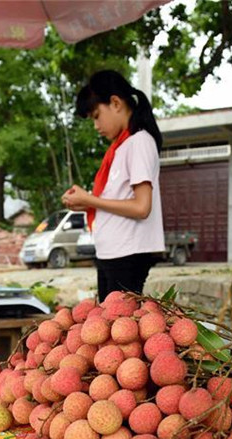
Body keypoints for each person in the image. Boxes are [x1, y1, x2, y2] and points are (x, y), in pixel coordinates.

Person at [61, 70, 165, 301]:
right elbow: (117, 199)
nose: (96, 126)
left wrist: (89, 200)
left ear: (115, 103)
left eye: (97, 116)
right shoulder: (121, 147)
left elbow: (141, 207)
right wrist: (86, 203)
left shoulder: (139, 142)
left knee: (119, 331)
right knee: (107, 326)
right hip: (113, 252)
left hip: (127, 254)